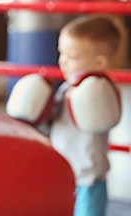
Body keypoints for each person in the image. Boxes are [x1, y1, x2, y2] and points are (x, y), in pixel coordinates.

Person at [7, 14, 123, 216]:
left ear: (100, 62)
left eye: (73, 57)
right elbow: (56, 126)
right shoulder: (68, 87)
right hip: (61, 173)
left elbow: (101, 120)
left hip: (88, 179)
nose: (63, 62)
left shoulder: (100, 89)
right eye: (62, 53)